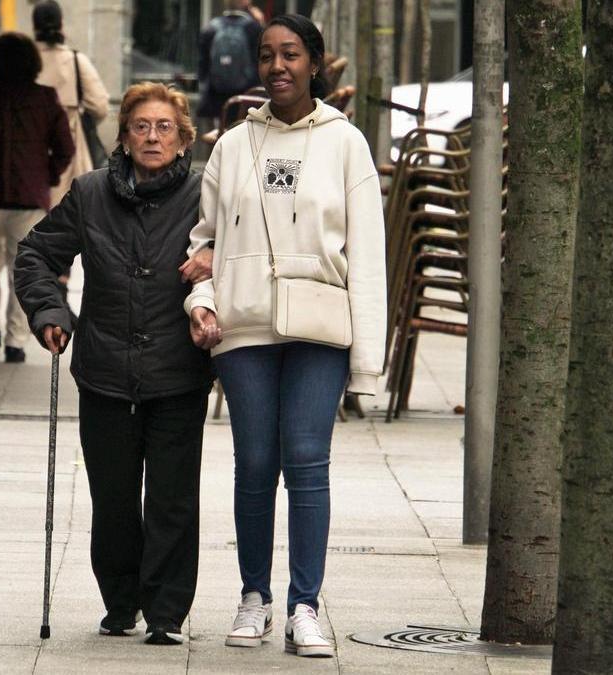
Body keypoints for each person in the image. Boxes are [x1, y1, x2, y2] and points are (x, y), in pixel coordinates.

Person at [182, 14, 387, 658]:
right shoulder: (231, 146)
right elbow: (204, 245)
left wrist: (369, 362)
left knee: (306, 461)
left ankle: (305, 604)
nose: (277, 66)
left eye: (291, 54)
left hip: (319, 325)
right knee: (254, 465)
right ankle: (253, 597)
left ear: (315, 63)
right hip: (243, 324)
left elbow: (370, 256)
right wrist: (202, 300)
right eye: (268, 55)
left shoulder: (346, 142)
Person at [15, 83, 214, 646]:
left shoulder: (206, 197)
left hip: (177, 371)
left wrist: (213, 262)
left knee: (174, 498)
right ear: (123, 136)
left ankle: (168, 611)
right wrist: (51, 311)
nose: (152, 137)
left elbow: (239, 249)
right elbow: (35, 253)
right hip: (104, 371)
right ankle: (121, 603)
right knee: (114, 497)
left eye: (165, 127)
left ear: (183, 139)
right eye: (141, 127)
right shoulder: (91, 192)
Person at [0, 33, 74, 363]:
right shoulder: (46, 98)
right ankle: (15, 340)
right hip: (29, 196)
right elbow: (66, 148)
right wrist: (47, 175)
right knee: (23, 268)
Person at [31, 0, 109, 208]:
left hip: (30, 144)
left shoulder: (26, 61)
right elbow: (100, 105)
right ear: (61, 24)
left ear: (34, 26)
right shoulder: (75, 60)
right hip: (72, 144)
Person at [196, 0, 263, 124]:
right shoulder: (254, 28)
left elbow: (202, 68)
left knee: (220, 136)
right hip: (247, 98)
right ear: (246, 3)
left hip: (217, 98)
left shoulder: (210, 28)